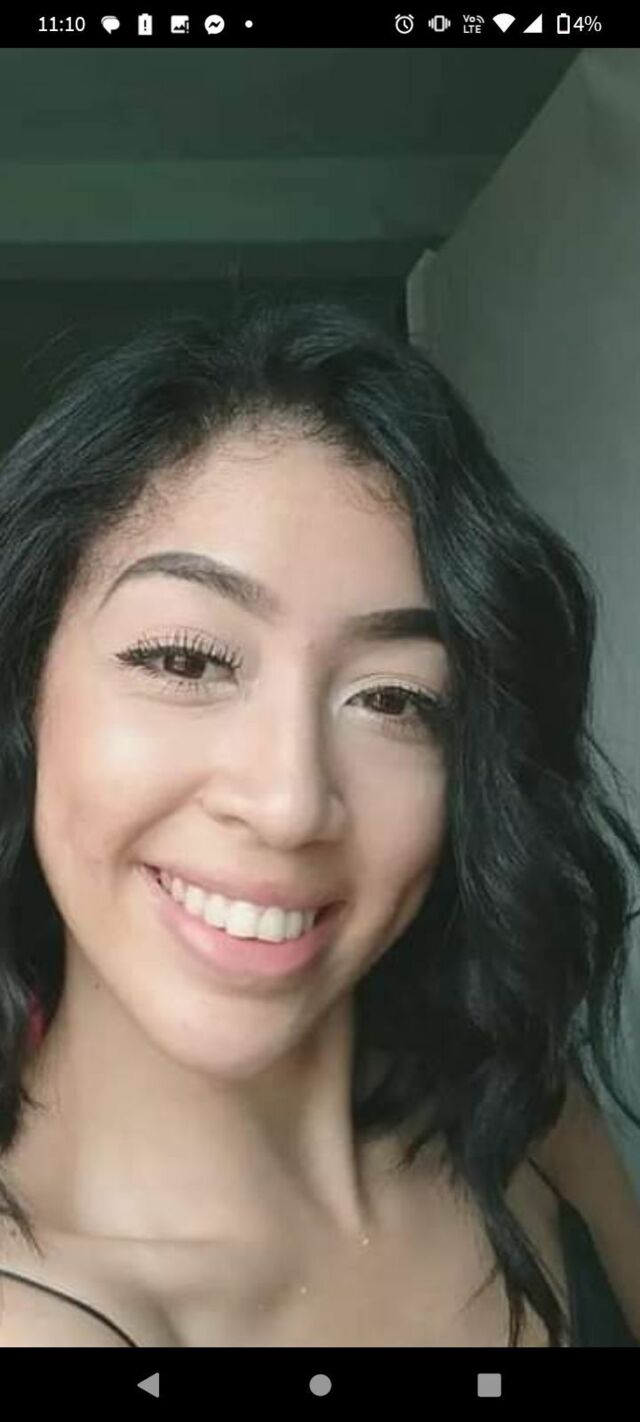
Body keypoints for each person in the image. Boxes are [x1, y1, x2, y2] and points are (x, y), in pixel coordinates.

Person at [0, 295, 638, 1349]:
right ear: (25, 693)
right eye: (185, 660)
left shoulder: (521, 1109)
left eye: (395, 698)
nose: (292, 802)